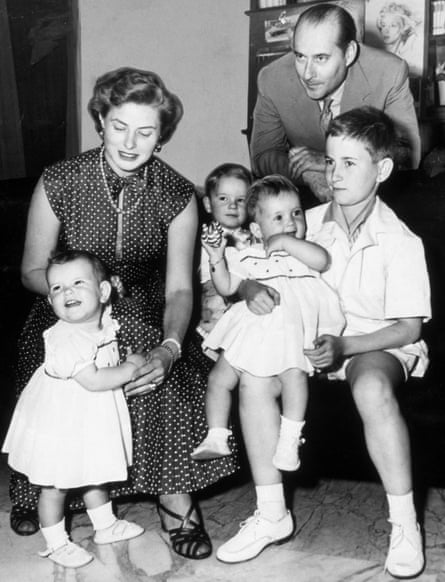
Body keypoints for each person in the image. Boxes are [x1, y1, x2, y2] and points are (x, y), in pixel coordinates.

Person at [9, 67, 238, 560]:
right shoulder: (60, 180)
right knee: (58, 376)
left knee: (163, 375)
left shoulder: (179, 195)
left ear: (162, 135)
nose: (131, 142)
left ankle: (176, 503)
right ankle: (43, 491)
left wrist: (171, 346)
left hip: (142, 305)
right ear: (100, 121)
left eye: (146, 130)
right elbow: (31, 269)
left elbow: (179, 287)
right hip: (65, 308)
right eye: (120, 127)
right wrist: (76, 296)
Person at [238, 107, 430, 578]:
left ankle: (404, 524)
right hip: (307, 341)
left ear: (381, 169)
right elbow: (253, 266)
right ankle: (271, 513)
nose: (335, 174)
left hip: (376, 344)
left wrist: (345, 348)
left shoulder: (400, 241)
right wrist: (249, 290)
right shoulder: (304, 222)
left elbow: (408, 329)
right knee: (254, 378)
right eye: (330, 162)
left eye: (350, 163)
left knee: (369, 387)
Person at [193, 175, 345, 564]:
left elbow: (322, 261)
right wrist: (215, 256)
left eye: (295, 213)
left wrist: (287, 241)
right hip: (258, 332)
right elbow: (228, 284)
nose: (291, 221)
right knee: (239, 380)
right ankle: (267, 506)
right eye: (278, 218)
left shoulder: (308, 246)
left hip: (294, 329)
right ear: (257, 227)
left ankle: (290, 440)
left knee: (292, 373)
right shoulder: (250, 253)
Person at [3, 251, 145, 568]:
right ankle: (56, 542)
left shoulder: (100, 321)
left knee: (95, 471)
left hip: (88, 417)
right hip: (61, 422)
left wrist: (113, 295)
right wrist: (131, 367)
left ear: (103, 292)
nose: (67, 292)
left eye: (78, 283)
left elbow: (106, 310)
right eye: (56, 288)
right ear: (50, 300)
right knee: (56, 483)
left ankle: (105, 525)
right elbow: (94, 381)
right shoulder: (66, 337)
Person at [249, 3, 421, 203]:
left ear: (349, 54)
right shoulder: (272, 78)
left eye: (321, 58)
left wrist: (329, 163)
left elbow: (406, 156)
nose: (307, 74)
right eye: (300, 56)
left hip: (376, 196)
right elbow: (262, 156)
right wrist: (308, 173)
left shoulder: (388, 73)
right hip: (305, 194)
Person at [196, 163, 252, 356]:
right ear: (208, 204)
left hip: (245, 330)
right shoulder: (204, 238)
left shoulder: (255, 239)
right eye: (223, 198)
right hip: (211, 328)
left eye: (241, 200)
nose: (232, 205)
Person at [376, 2, 423, 77]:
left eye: (393, 26)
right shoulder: (377, 57)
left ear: (404, 27)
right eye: (384, 25)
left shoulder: (408, 57)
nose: (386, 31)